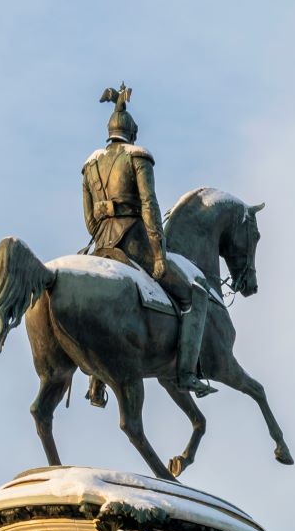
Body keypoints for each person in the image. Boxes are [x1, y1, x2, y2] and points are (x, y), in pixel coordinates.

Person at [81, 85, 211, 400]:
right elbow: (149, 206)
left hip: (100, 245)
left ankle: (96, 381)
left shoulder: (90, 165)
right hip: (134, 243)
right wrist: (158, 254)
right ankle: (187, 373)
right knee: (196, 296)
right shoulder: (138, 157)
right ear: (132, 134)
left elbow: (88, 218)